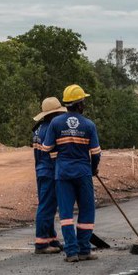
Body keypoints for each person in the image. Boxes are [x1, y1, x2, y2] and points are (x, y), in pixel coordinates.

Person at [41, 84, 101, 263]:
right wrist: (93, 169)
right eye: (83, 101)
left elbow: (46, 148)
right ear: (80, 104)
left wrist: (57, 162)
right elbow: (96, 153)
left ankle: (71, 252)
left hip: (63, 173)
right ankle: (84, 249)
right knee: (87, 211)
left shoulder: (56, 123)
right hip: (83, 173)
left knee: (66, 213)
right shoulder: (88, 124)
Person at [32, 97, 67, 254]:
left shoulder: (38, 128)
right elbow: (53, 155)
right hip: (49, 171)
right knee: (46, 206)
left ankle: (51, 237)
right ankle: (41, 242)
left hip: (40, 169)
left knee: (49, 206)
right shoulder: (51, 130)